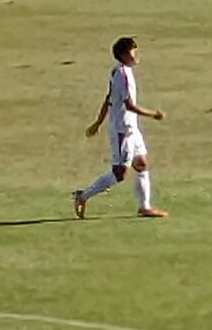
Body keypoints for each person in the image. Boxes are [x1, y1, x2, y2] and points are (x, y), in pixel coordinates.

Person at [72, 37, 169, 219]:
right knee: (119, 173)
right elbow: (129, 105)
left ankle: (145, 207)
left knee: (141, 163)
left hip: (132, 128)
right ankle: (83, 196)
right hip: (122, 130)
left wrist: (97, 123)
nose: (136, 55)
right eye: (133, 52)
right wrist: (153, 114)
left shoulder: (119, 72)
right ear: (124, 55)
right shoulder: (122, 75)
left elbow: (108, 100)